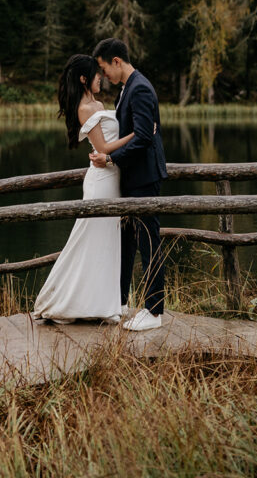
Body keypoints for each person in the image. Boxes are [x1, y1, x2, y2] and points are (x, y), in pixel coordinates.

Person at [32, 54, 136, 323]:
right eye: (95, 74)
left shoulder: (98, 104)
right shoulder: (85, 108)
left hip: (112, 178)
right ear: (83, 79)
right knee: (91, 238)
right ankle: (72, 302)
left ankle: (103, 302)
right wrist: (138, 134)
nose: (100, 77)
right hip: (102, 182)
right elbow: (102, 148)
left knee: (106, 241)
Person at [90, 37, 167, 332]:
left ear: (117, 62)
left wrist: (110, 160)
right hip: (132, 177)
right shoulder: (126, 89)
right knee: (127, 241)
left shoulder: (141, 89)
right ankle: (120, 303)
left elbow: (144, 137)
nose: (104, 75)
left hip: (145, 177)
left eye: (104, 68)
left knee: (149, 242)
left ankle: (154, 310)